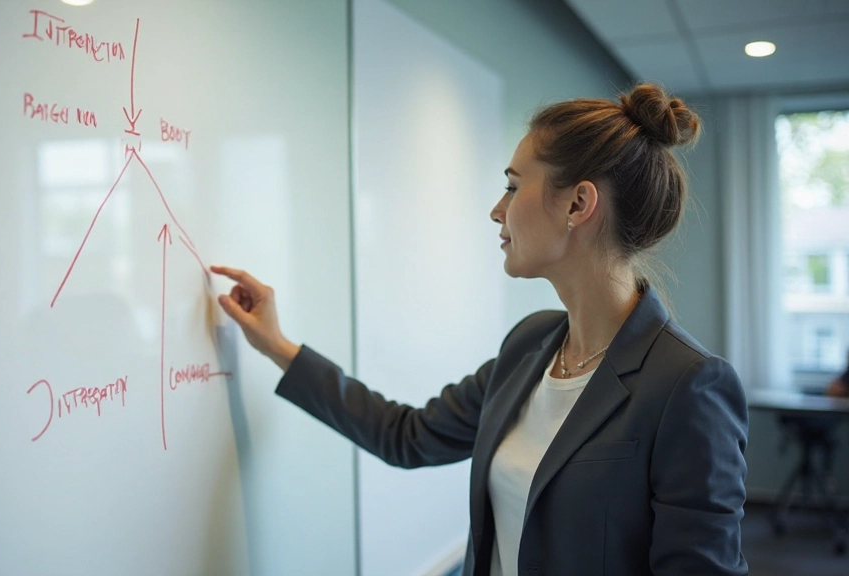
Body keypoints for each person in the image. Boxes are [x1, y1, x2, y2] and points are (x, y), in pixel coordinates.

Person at [210, 84, 749, 576]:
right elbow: (408, 435)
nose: (497, 211)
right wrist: (278, 347)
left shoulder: (689, 385)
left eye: (513, 187)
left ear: (579, 204)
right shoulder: (529, 345)